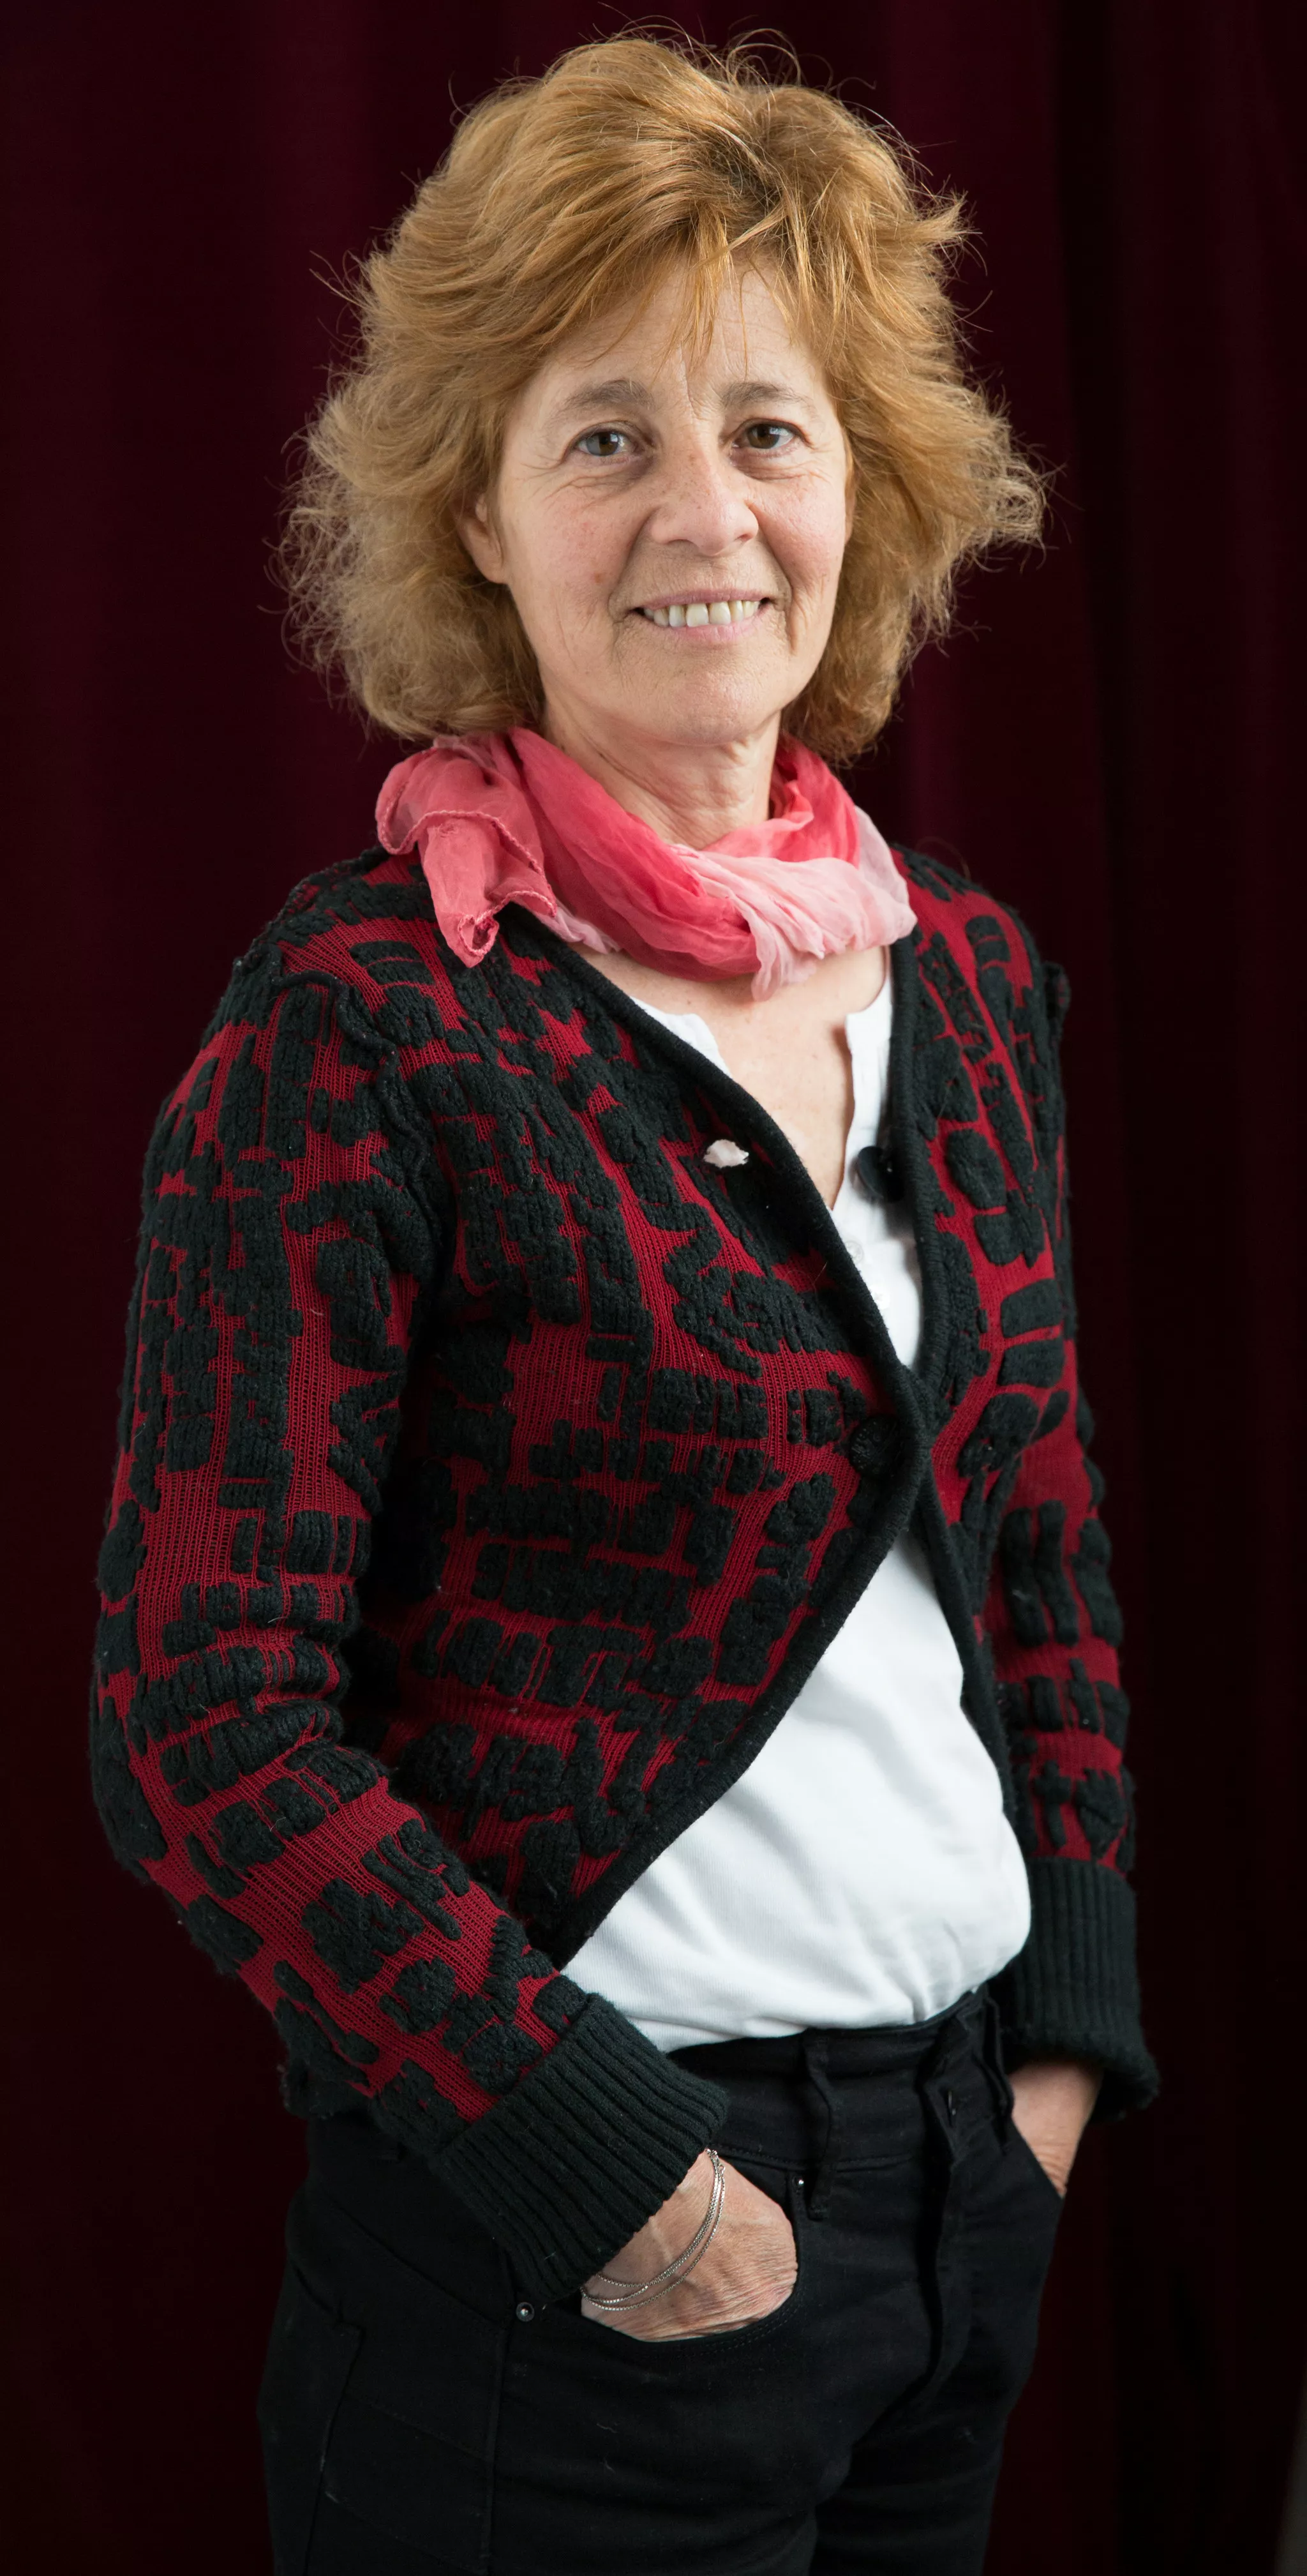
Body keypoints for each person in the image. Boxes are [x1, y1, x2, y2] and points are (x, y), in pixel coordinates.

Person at [91, 36, 1155, 2576]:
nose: (707, 513)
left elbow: (1038, 1549)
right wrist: (610, 2175)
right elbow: (199, 1713)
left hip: (952, 2207)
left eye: (768, 429)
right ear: (480, 512)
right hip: (568, 2283)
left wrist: (1062, 2048)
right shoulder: (363, 1027)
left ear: (859, 483)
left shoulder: (963, 977)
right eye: (605, 438)